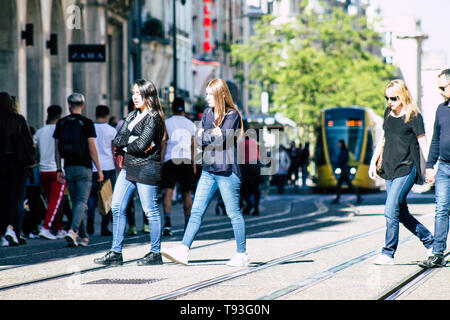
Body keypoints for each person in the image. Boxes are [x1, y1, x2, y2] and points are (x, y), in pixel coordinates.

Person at [161, 78, 248, 267]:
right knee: (196, 212)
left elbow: (221, 139)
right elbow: (200, 139)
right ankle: (184, 250)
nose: (206, 97)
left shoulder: (232, 115)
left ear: (221, 94)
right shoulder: (208, 113)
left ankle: (241, 254)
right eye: (206, 94)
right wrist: (211, 134)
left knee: (233, 213)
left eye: (210, 94)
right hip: (209, 170)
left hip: (227, 171)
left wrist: (210, 135)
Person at [94, 79, 167, 266]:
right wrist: (130, 144)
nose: (135, 97)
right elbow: (119, 138)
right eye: (133, 93)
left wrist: (128, 144)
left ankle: (155, 253)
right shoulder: (133, 115)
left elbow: (142, 144)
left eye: (138, 93)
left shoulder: (154, 117)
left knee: (150, 210)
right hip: (128, 167)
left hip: (146, 167)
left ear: (148, 95)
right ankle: (116, 252)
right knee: (117, 207)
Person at [369, 79, 434, 265]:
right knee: (401, 212)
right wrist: (373, 162)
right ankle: (431, 242)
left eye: (394, 98)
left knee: (390, 209)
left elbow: (423, 142)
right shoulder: (388, 114)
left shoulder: (413, 116)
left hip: (407, 168)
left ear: (403, 95)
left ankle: (388, 253)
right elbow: (383, 138)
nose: (390, 102)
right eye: (387, 98)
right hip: (389, 169)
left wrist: (430, 167)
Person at [54, 93, 104, 247]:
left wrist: (59, 169)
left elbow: (57, 149)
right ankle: (73, 230)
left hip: (68, 167)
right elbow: (91, 147)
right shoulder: (87, 123)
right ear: (82, 105)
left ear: (69, 105)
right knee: (82, 202)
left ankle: (83, 236)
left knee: (76, 202)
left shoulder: (61, 123)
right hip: (84, 167)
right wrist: (99, 169)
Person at [418, 69, 450, 269]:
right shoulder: (441, 109)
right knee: (441, 209)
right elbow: (436, 140)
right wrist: (430, 165)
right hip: (445, 167)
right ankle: (438, 253)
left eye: (443, 87)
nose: (440, 91)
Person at [0, 92, 35, 246]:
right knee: (18, 198)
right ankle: (14, 230)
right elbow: (29, 141)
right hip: (17, 162)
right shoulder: (19, 119)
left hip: (1, 164)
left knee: (3, 198)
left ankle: (3, 231)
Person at [160, 97, 196, 236]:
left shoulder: (167, 123)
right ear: (184, 108)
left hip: (170, 159)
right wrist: (193, 164)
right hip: (186, 160)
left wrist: (162, 162)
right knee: (187, 192)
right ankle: (188, 223)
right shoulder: (190, 124)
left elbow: (163, 143)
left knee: (168, 192)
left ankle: (168, 223)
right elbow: (194, 146)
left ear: (172, 108)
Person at [34, 105, 67, 240]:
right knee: (56, 200)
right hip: (57, 169)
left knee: (52, 200)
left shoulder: (40, 131)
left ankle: (58, 228)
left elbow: (34, 147)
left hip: (43, 169)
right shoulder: (61, 129)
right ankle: (46, 227)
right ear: (60, 116)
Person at [87, 105, 118, 236]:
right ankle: (104, 227)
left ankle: (90, 220)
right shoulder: (111, 130)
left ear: (95, 114)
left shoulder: (90, 128)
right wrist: (118, 167)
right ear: (107, 115)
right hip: (108, 167)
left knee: (92, 196)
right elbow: (114, 150)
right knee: (107, 198)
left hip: (93, 167)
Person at [238, 121, 262, 215]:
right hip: (257, 165)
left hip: (248, 167)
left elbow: (240, 158)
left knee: (244, 188)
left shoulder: (242, 143)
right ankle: (256, 208)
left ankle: (248, 205)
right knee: (256, 188)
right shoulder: (254, 142)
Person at [331, 140, 361, 204]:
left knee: (347, 184)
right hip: (345, 170)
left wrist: (334, 169)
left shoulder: (343, 151)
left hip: (345, 170)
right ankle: (337, 199)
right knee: (340, 184)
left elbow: (341, 161)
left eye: (338, 143)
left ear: (341, 144)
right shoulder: (345, 151)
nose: (338, 145)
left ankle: (358, 196)